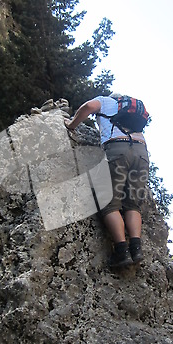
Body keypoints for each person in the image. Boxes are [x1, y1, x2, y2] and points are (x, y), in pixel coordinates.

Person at [64, 93, 149, 268]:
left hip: (117, 149)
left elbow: (88, 107)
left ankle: (122, 252)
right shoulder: (132, 110)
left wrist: (71, 125)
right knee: (133, 204)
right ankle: (137, 249)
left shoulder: (105, 101)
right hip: (141, 153)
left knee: (110, 203)